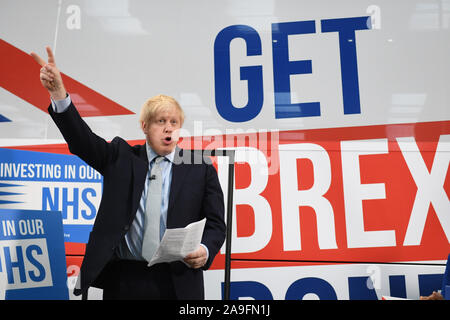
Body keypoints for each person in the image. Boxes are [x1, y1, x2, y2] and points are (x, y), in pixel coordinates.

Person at [30, 46, 226, 300]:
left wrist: (205, 249)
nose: (168, 128)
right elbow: (82, 141)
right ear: (144, 126)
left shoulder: (200, 168)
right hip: (124, 280)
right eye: (160, 121)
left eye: (174, 122)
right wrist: (58, 93)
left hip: (177, 282)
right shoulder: (121, 157)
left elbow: (216, 225)